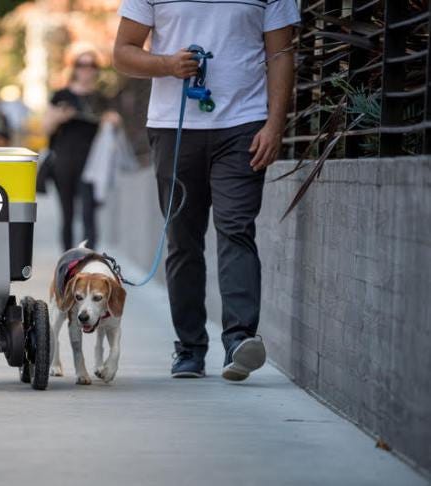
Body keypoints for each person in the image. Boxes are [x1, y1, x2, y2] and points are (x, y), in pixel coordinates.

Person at [113, 0, 299, 381]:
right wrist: (167, 64)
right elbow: (122, 53)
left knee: (236, 228)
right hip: (173, 128)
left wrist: (275, 126)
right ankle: (190, 347)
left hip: (244, 125)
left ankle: (239, 340)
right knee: (183, 239)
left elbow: (280, 53)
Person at [43, 51, 120, 252]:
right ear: (75, 69)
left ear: (96, 70)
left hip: (92, 164)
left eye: (91, 66)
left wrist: (112, 120)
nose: (86, 70)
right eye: (82, 65)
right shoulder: (61, 95)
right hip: (65, 160)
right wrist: (60, 117)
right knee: (67, 214)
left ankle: (89, 260)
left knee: (89, 214)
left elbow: (114, 124)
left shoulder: (101, 98)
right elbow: (46, 127)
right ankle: (67, 261)